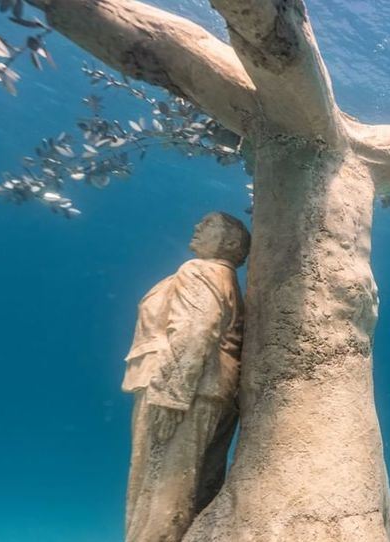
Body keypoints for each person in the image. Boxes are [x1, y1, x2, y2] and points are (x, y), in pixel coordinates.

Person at [121, 212, 250, 542]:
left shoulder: (200, 271)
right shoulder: (228, 282)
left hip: (183, 391)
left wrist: (170, 395)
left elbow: (194, 330)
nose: (196, 227)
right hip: (214, 391)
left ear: (231, 243)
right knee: (195, 492)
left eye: (207, 224)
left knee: (157, 495)